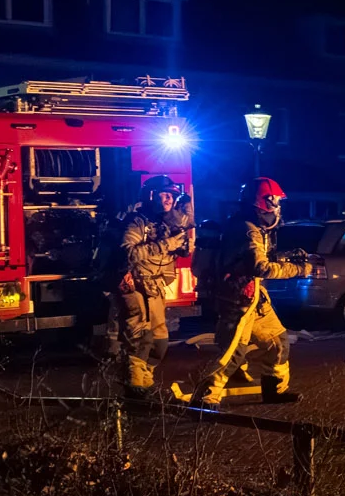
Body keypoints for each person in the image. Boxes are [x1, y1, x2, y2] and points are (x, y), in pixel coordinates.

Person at [196, 177, 317, 406]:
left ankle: (274, 390)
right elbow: (260, 267)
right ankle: (204, 397)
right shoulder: (248, 230)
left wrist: (286, 256)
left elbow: (256, 258)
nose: (278, 207)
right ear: (265, 202)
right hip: (238, 300)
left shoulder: (249, 227)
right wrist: (299, 269)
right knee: (233, 353)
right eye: (276, 201)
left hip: (254, 299)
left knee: (277, 342)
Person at [108, 174, 193, 401]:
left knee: (160, 342)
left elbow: (183, 250)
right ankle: (135, 388)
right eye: (164, 194)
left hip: (155, 287)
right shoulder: (137, 222)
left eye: (172, 195)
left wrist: (182, 242)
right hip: (135, 286)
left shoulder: (166, 223)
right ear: (151, 195)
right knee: (139, 338)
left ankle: (145, 380)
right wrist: (168, 244)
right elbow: (128, 253)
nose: (169, 199)